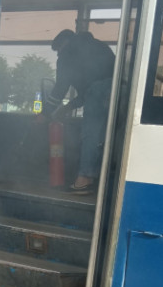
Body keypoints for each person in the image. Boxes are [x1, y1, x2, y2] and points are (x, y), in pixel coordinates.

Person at [43, 29, 115, 193]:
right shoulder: (99, 46)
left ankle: (84, 179)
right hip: (118, 91)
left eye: (58, 50)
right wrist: (68, 107)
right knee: (104, 136)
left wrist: (45, 113)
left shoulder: (68, 53)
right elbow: (90, 88)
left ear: (64, 43)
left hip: (99, 92)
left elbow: (61, 88)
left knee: (91, 134)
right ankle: (98, 179)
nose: (58, 55)